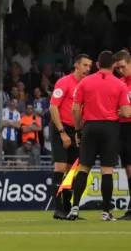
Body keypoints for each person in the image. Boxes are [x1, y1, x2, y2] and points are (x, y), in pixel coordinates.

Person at [68, 51, 131, 221]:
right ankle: (105, 212)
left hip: (89, 126)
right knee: (107, 171)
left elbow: (75, 109)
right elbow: (126, 112)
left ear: (96, 65)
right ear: (113, 66)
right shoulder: (120, 85)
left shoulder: (85, 82)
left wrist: (78, 129)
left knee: (83, 168)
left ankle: (74, 208)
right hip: (110, 128)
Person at [49, 54, 92, 220]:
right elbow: (53, 108)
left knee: (71, 171)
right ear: (76, 66)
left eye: (89, 66)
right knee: (60, 167)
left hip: (76, 130)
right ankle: (58, 209)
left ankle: (67, 209)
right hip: (61, 128)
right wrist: (62, 132)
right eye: (85, 65)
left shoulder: (87, 85)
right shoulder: (64, 82)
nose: (88, 69)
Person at [113, 50, 131, 220]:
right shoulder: (120, 82)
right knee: (127, 168)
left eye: (122, 67)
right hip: (122, 128)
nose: (120, 70)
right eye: (117, 68)